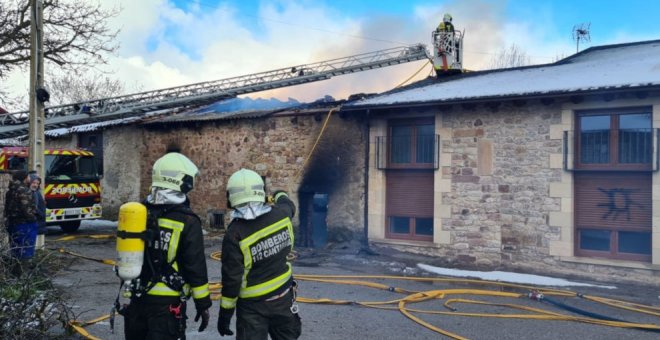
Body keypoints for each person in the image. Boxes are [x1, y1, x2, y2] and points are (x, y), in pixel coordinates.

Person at [122, 152, 211, 339]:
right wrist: (203, 305)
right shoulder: (187, 220)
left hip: (136, 299)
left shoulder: (139, 212)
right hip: (166, 304)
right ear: (182, 181)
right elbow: (195, 267)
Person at [217, 168, 301, 339]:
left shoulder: (235, 233)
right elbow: (289, 205)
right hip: (284, 298)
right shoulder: (281, 214)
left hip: (252, 308)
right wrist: (280, 194)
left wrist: (225, 315)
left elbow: (232, 279)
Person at [4, 170, 38, 274]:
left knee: (15, 249)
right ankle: (23, 276)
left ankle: (15, 274)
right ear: (24, 178)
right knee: (25, 250)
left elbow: (7, 208)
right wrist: (33, 217)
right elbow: (26, 210)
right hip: (25, 224)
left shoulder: (11, 190)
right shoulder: (24, 190)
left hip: (12, 223)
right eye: (28, 176)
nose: (29, 178)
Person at [28, 172, 47, 250]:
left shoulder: (36, 192)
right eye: (33, 182)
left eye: (37, 183)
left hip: (37, 222)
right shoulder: (31, 192)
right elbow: (34, 208)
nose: (35, 185)